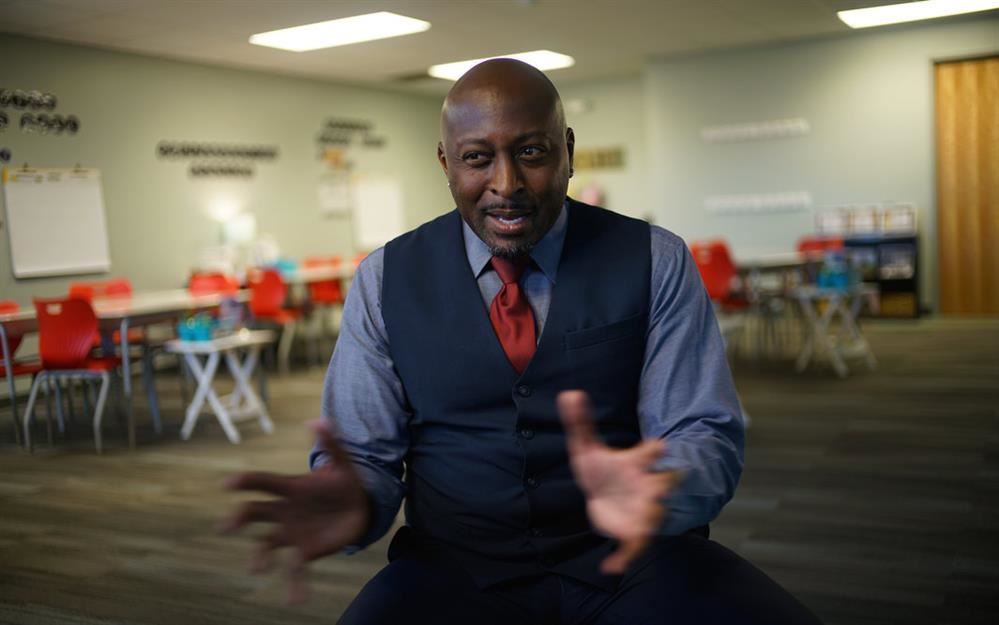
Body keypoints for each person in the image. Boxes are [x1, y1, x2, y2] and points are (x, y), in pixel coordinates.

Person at [223, 58, 822, 625]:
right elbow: (364, 455)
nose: (505, 184)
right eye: (477, 158)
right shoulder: (383, 280)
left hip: (637, 556)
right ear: (446, 162)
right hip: (454, 569)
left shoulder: (655, 259)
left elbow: (700, 428)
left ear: (568, 151)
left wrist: (663, 487)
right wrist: (354, 496)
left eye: (531, 152)